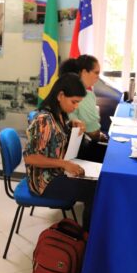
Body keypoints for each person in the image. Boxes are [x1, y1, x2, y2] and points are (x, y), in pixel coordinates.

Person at [23, 73, 97, 231]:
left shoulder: (60, 114)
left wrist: (73, 126)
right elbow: (30, 158)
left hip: (57, 172)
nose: (76, 106)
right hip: (43, 181)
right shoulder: (43, 119)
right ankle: (86, 240)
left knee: (95, 183)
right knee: (94, 191)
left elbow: (58, 139)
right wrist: (63, 164)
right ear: (61, 95)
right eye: (74, 102)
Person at [59, 55, 106, 163]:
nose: (98, 77)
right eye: (96, 72)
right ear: (84, 72)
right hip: (78, 152)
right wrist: (97, 135)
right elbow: (89, 131)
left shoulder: (88, 95)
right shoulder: (76, 97)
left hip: (83, 146)